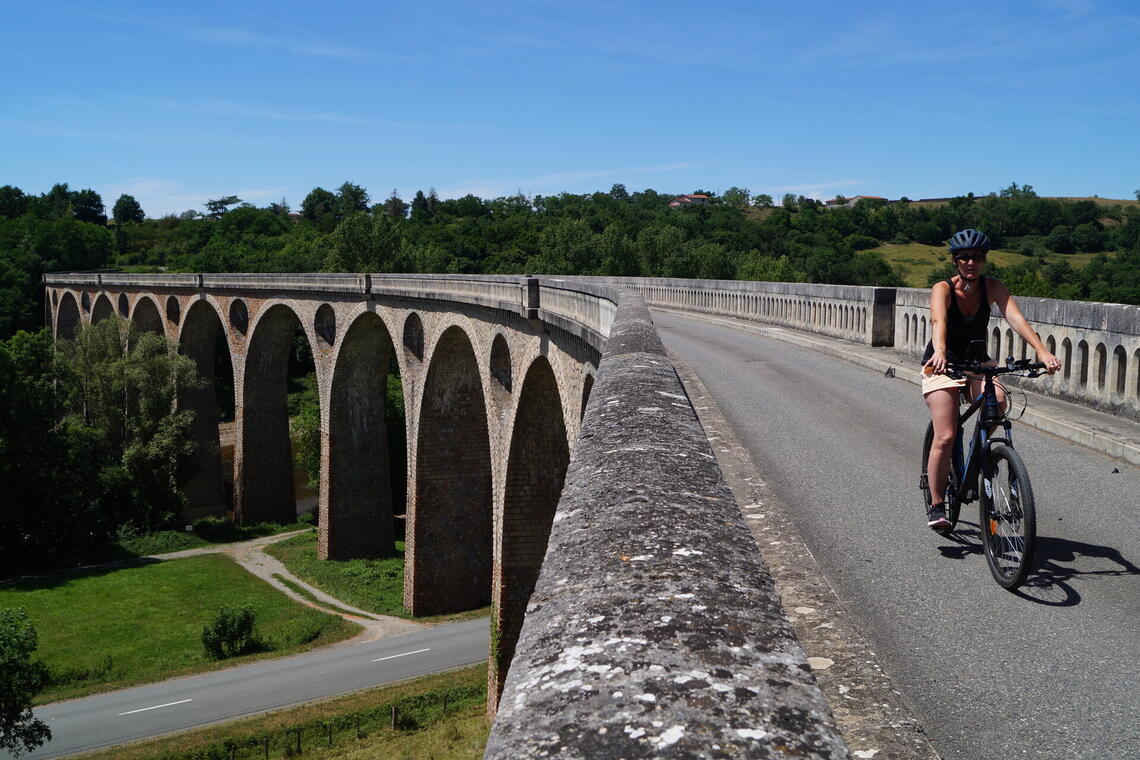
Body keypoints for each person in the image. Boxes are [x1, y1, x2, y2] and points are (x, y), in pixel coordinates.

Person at [921, 228, 1060, 530]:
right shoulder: (942, 288)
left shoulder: (993, 287)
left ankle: (978, 450)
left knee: (997, 399)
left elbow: (1016, 318)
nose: (971, 263)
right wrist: (941, 351)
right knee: (945, 435)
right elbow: (938, 321)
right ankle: (935, 503)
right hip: (943, 364)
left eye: (977, 258)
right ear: (955, 261)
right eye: (965, 258)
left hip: (977, 364)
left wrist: (1042, 351)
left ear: (984, 260)